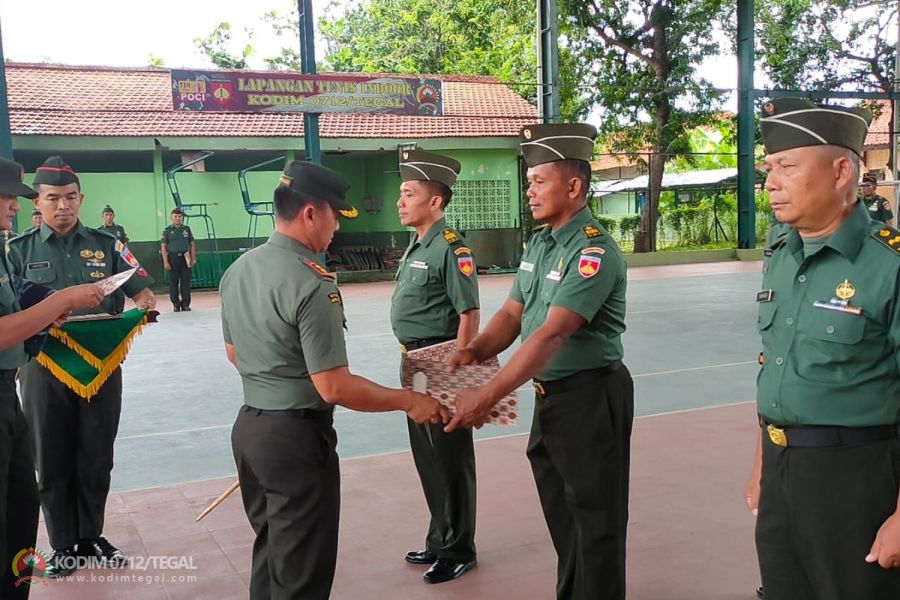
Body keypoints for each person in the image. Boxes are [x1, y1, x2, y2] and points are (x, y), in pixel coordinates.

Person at [220, 160, 448, 600]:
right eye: (334, 216)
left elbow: (234, 354)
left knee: (271, 558)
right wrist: (408, 401)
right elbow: (334, 387)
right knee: (302, 574)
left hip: (251, 431)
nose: (336, 229)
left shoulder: (239, 270)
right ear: (310, 213)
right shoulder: (312, 283)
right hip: (296, 440)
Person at [446, 123, 633, 600]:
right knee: (564, 517)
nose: (529, 191)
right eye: (528, 181)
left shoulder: (592, 252)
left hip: (591, 399)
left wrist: (485, 395)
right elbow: (513, 314)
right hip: (551, 400)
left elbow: (550, 335)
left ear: (574, 187)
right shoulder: (540, 244)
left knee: (596, 524)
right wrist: (474, 352)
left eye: (539, 181)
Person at [744, 98, 900, 599]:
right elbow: (775, 366)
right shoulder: (782, 257)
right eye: (769, 168)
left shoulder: (887, 266)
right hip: (782, 471)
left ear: (840, 172)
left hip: (856, 478)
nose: (770, 182)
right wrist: (762, 463)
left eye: (786, 166)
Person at [8, 155, 156, 578]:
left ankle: (92, 534)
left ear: (81, 198)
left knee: (96, 454)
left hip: (101, 369)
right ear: (38, 200)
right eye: (53, 198)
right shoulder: (17, 252)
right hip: (42, 369)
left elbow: (142, 292)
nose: (63, 206)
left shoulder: (107, 244)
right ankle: (62, 544)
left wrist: (144, 308)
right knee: (50, 456)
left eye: (70, 197)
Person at [0, 157, 104, 598]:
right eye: (8, 199)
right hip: (35, 377)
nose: (14, 208)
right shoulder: (18, 247)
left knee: (20, 512)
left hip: (10, 392)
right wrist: (59, 300)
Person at [390, 150, 480, 583]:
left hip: (440, 361)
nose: (399, 202)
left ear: (436, 202)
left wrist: (458, 376)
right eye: (400, 194)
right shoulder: (416, 246)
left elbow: (469, 315)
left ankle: (458, 547)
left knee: (449, 457)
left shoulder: (451, 248)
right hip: (414, 361)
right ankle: (439, 535)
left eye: (409, 194)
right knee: (427, 457)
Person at [160, 207, 195, 312]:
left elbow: (192, 244)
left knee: (185, 282)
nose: (178, 218)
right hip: (173, 258)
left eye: (180, 216)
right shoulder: (167, 230)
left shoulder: (186, 229)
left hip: (185, 258)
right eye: (175, 216)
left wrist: (192, 258)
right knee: (173, 282)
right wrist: (166, 261)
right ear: (171, 218)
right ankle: (176, 304)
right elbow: (163, 247)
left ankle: (185, 304)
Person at [98, 206, 129, 313]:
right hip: (106, 262)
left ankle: (119, 309)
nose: (109, 217)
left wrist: (126, 260)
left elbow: (125, 245)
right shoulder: (100, 231)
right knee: (107, 287)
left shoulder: (119, 229)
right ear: (102, 217)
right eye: (106, 215)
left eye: (110, 215)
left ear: (114, 216)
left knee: (119, 285)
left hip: (119, 261)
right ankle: (108, 310)